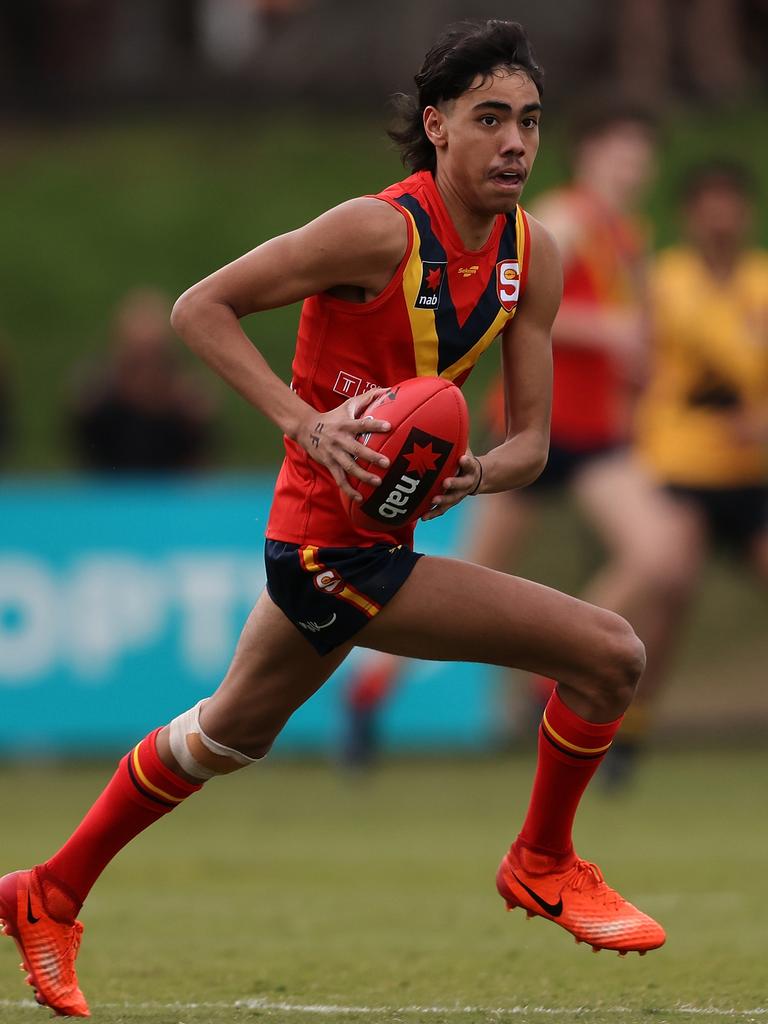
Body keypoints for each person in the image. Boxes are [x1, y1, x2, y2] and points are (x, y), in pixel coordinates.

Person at [0, 21, 664, 1018]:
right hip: (322, 548)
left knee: (224, 735)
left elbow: (528, 443)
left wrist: (472, 473)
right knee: (611, 655)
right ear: (437, 127)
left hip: (373, 540)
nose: (516, 141)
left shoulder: (536, 255)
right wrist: (302, 424)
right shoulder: (375, 232)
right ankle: (542, 859)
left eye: (529, 119)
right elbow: (199, 308)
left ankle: (45, 892)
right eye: (489, 119)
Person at [342, 104, 663, 764]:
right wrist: (607, 331)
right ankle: (371, 687)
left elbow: (637, 333)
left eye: (642, 155)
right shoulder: (564, 219)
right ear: (592, 154)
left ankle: (559, 672)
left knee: (656, 555)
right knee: (472, 573)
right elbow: (519, 306)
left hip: (597, 433)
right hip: (523, 426)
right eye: (622, 153)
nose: (635, 167)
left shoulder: (630, 235)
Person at [619, 161, 768, 765]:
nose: (720, 215)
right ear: (688, 215)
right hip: (681, 469)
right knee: (670, 589)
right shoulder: (665, 280)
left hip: (751, 474)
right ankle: (629, 730)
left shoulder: (762, 281)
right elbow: (638, 366)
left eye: (729, 201)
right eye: (708, 202)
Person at [67, 287, 217, 472]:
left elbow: (200, 460)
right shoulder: (98, 404)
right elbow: (83, 452)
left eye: (154, 356)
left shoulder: (186, 406)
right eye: (137, 361)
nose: (147, 373)